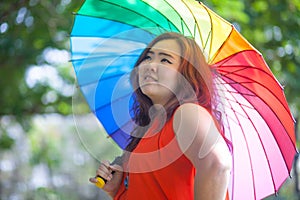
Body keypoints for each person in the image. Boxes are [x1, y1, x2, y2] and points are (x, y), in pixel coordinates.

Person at [90, 32, 232, 200]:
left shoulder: (188, 113)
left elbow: (218, 165)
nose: (150, 65)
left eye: (165, 60)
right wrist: (118, 190)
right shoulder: (149, 128)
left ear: (186, 74)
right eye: (148, 57)